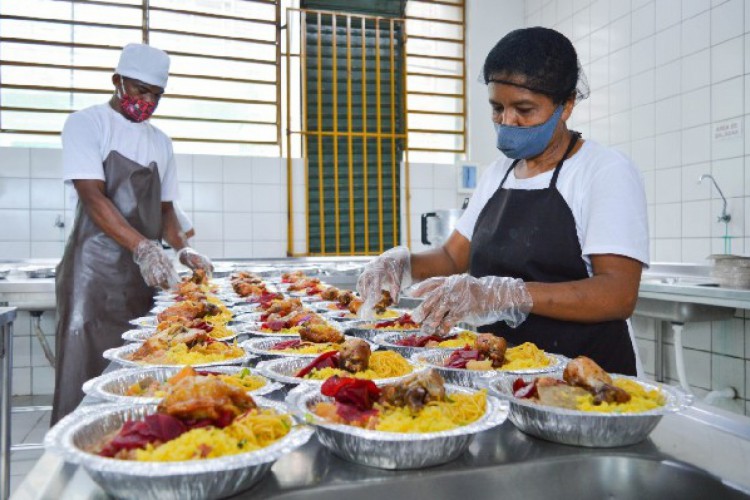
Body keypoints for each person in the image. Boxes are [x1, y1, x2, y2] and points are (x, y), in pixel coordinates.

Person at [357, 27, 648, 376]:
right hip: (501, 371)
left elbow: (617, 294)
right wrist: (402, 263)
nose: (508, 121)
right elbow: (452, 256)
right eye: (497, 108)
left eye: (524, 109)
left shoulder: (602, 171)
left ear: (566, 105)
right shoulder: (499, 173)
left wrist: (507, 296)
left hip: (586, 377)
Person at [53, 43, 213, 423]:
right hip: (92, 277)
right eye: (140, 90)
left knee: (141, 373)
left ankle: (135, 447)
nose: (147, 101)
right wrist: (143, 247)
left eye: (156, 95)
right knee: (86, 370)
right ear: (117, 81)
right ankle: (77, 451)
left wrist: (183, 251)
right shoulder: (86, 123)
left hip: (143, 280)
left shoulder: (161, 142)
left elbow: (167, 212)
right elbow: (93, 197)